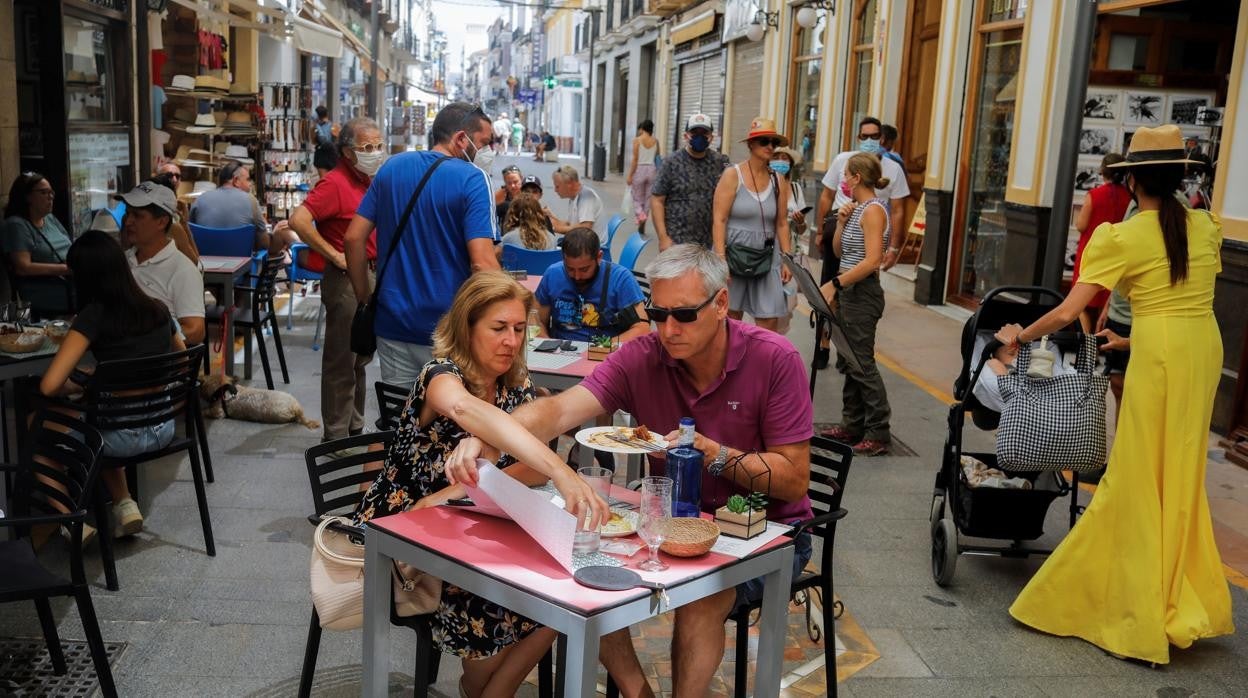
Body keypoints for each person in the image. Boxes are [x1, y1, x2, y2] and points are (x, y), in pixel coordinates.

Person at [443, 245, 814, 698]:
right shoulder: (644, 355)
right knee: (586, 569)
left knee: (700, 600)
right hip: (669, 519)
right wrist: (486, 435)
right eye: (657, 314)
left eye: (683, 315)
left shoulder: (774, 359)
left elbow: (794, 479)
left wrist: (711, 452)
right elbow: (557, 412)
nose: (668, 330)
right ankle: (638, 691)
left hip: (763, 530)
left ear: (720, 304)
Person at [999, 124, 1231, 665]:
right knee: (1178, 470)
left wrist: (1018, 335)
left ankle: (1142, 604)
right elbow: (1184, 302)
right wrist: (1129, 335)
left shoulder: (1121, 236)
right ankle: (1180, 593)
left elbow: (1064, 310)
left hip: (1162, 356)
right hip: (1200, 350)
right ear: (1179, 179)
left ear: (1130, 180)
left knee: (1137, 473)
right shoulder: (1204, 225)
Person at [351, 271, 608, 698]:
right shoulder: (440, 376)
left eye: (519, 328)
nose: (511, 340)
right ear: (467, 328)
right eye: (498, 328)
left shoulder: (516, 386)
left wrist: (466, 489)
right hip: (402, 537)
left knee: (568, 592)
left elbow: (533, 470)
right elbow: (467, 410)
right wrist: (562, 472)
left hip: (470, 529)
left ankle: (491, 692)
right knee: (496, 599)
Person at [343, 102, 501, 387]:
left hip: (393, 324)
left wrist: (365, 297)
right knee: (451, 423)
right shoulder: (474, 179)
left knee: (399, 420)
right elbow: (482, 263)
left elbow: (353, 238)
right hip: (448, 330)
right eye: (484, 143)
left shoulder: (391, 168)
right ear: (461, 139)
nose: (488, 152)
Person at [41, 230, 186, 541]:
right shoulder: (157, 308)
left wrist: (82, 381)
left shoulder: (92, 317)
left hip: (118, 437)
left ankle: (70, 522)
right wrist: (99, 379)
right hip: (163, 428)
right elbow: (184, 361)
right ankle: (123, 503)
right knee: (102, 414)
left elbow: (49, 386)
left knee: (38, 427)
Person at [286, 117, 383, 443]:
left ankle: (354, 427)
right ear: (347, 152)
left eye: (379, 146)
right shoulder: (336, 183)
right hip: (344, 278)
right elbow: (298, 219)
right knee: (342, 360)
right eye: (367, 148)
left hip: (368, 274)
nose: (375, 153)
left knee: (359, 358)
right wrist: (333, 254)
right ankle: (337, 435)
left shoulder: (368, 180)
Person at [812, 116, 911, 368]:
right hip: (842, 222)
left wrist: (894, 248)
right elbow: (826, 195)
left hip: (868, 234)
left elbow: (898, 210)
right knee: (830, 295)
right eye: (864, 136)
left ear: (882, 138)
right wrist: (824, 228)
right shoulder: (842, 160)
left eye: (873, 136)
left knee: (859, 360)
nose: (869, 140)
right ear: (858, 137)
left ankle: (848, 358)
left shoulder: (889, 176)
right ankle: (824, 344)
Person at [818, 153, 894, 456]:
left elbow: (873, 259)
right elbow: (838, 250)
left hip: (862, 292)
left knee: (862, 363)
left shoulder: (874, 210)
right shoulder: (857, 210)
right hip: (849, 290)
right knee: (850, 360)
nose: (844, 181)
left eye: (846, 175)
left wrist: (836, 284)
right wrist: (841, 223)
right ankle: (852, 425)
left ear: (857, 178)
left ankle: (878, 431)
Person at [711, 118, 792, 333]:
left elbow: (782, 223)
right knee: (729, 319)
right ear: (751, 144)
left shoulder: (778, 180)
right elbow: (719, 219)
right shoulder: (732, 175)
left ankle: (763, 365)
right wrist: (720, 258)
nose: (769, 147)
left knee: (769, 323)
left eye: (773, 143)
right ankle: (729, 365)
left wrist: (788, 260)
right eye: (764, 141)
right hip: (733, 255)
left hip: (766, 257)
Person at [118, 182, 206, 345]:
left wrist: (140, 338)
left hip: (150, 363)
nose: (128, 221)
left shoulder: (182, 270)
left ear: (162, 222)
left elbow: (196, 331)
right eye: (127, 213)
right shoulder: (121, 260)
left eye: (137, 215)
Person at [533, 227, 648, 343]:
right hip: (560, 350)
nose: (577, 276)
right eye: (570, 269)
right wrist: (547, 344)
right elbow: (536, 320)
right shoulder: (553, 274)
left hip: (606, 352)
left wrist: (602, 348)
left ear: (599, 257)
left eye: (584, 269)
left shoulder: (621, 278)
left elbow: (642, 329)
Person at [651, 113, 730, 251]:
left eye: (704, 132)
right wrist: (663, 238)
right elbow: (657, 200)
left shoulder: (720, 163)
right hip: (676, 242)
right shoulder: (671, 162)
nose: (699, 136)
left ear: (711, 137)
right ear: (686, 135)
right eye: (695, 132)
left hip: (708, 244)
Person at [2, 172, 72, 318]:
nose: (50, 196)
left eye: (51, 192)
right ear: (27, 197)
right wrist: (66, 269)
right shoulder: (17, 224)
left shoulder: (50, 219)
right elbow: (23, 267)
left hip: (70, 282)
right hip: (49, 291)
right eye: (43, 192)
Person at [1073, 153, 1131, 329]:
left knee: (1081, 303)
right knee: (1105, 301)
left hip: (1092, 253)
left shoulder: (1094, 195)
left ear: (1102, 171)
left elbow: (1081, 225)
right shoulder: (1129, 198)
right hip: (1116, 254)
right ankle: (1100, 344)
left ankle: (1087, 345)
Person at [189, 162, 295, 256]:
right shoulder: (250, 200)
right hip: (242, 269)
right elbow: (264, 244)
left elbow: (190, 236)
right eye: (248, 180)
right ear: (236, 181)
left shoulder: (200, 199)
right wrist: (275, 232)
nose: (250, 185)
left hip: (205, 267)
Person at [771, 146, 808, 335]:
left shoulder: (795, 188)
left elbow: (802, 229)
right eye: (775, 157)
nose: (779, 161)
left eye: (784, 158)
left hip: (791, 253)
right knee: (768, 304)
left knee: (789, 303)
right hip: (769, 252)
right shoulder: (765, 185)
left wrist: (800, 222)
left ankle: (779, 340)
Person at [148, 171, 201, 266]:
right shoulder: (172, 227)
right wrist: (184, 224)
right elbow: (195, 261)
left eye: (178, 176)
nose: (175, 179)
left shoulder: (131, 221)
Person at [546, 165, 603, 239]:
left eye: (557, 186)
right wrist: (551, 218)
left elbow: (585, 228)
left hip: (592, 247)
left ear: (569, 184)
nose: (555, 190)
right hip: (583, 242)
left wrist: (556, 228)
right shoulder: (574, 197)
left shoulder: (586, 197)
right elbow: (571, 224)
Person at [625, 120, 659, 236]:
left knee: (636, 197)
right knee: (648, 198)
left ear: (642, 128)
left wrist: (630, 175)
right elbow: (657, 158)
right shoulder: (655, 141)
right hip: (652, 170)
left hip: (640, 169)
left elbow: (635, 159)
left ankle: (641, 216)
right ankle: (643, 217)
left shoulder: (637, 140)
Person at [313, 106, 338, 176]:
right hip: (332, 154)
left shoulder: (315, 127)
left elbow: (313, 141)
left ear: (317, 116)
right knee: (333, 178)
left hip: (321, 154)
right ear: (327, 114)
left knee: (323, 179)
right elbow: (337, 140)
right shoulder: (334, 126)